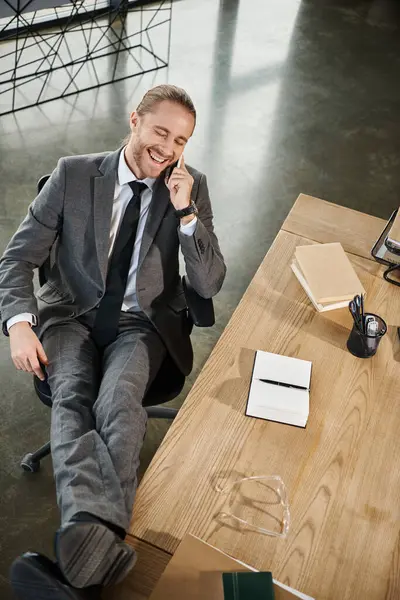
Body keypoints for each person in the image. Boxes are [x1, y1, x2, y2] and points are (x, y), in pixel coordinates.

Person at [0, 84, 226, 600]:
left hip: (139, 324)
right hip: (69, 317)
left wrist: (187, 213)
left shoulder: (190, 187)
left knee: (119, 402)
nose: (168, 148)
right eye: (160, 131)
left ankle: (86, 545)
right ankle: (101, 544)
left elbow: (209, 284)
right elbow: (17, 258)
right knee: (73, 396)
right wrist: (17, 322)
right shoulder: (74, 174)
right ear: (135, 121)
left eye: (181, 140)